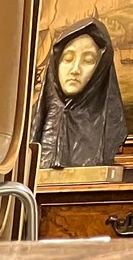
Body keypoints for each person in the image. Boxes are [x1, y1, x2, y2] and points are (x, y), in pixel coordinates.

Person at [31, 18, 128, 169]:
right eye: (68, 59)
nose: (75, 69)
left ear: (100, 67)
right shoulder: (32, 122)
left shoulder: (112, 125)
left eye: (88, 60)